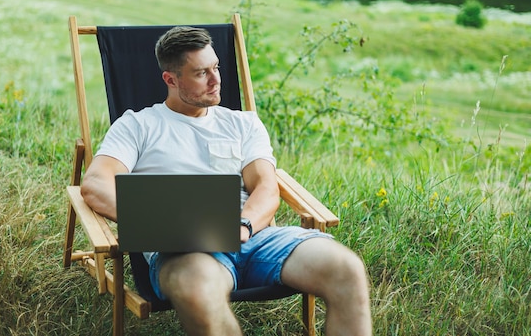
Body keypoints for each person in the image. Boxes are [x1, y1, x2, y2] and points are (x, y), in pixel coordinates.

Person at [81, 26, 372, 336]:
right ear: (171, 79)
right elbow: (96, 185)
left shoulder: (242, 123)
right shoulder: (138, 126)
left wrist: (243, 226)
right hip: (185, 250)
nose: (216, 79)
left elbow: (266, 187)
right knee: (199, 290)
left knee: (346, 269)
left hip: (256, 239)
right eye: (201, 73)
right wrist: (167, 226)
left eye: (216, 67)